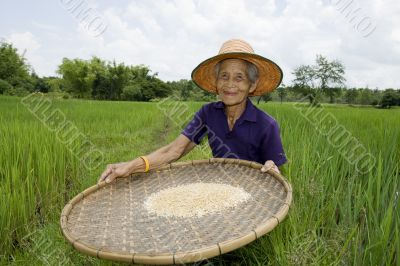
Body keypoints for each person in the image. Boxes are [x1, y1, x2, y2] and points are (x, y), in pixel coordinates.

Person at [99, 39, 287, 183]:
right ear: (216, 82)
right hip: (220, 188)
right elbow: (174, 151)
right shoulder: (208, 113)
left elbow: (275, 172)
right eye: (224, 76)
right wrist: (130, 166)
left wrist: (272, 167)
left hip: (253, 192)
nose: (230, 85)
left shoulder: (266, 124)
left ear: (251, 85)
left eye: (239, 78)